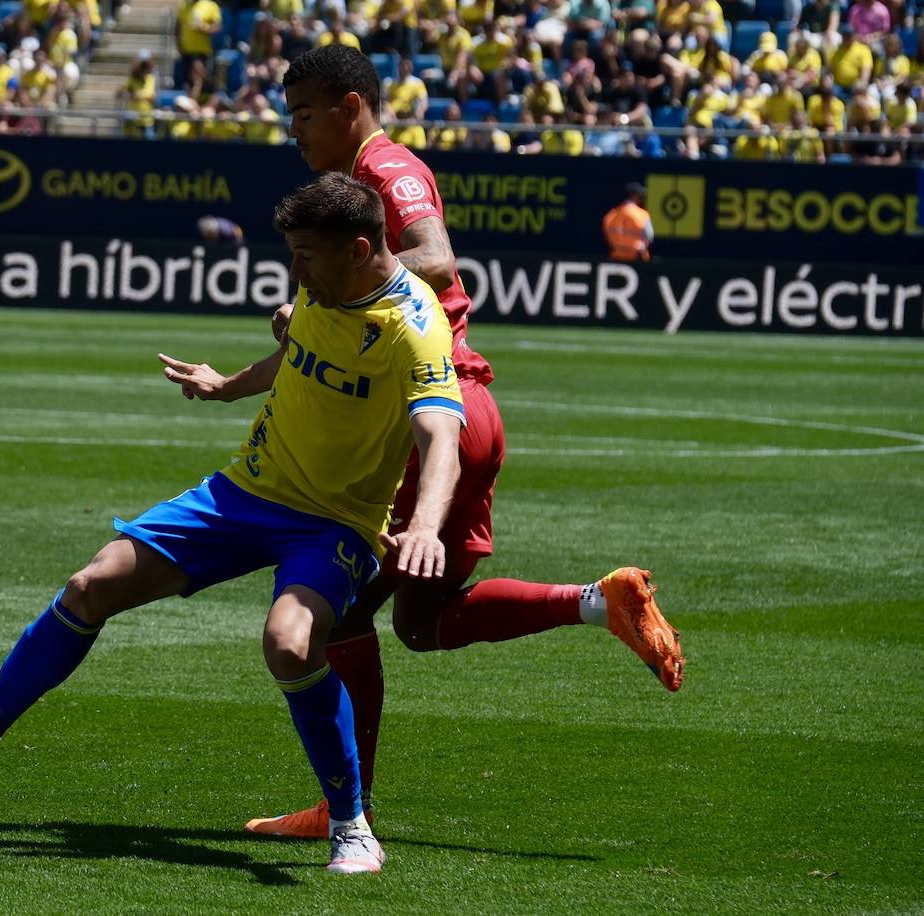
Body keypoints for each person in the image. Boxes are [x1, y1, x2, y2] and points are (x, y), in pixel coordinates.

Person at [0, 171, 469, 875]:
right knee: (92, 583)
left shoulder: (414, 328)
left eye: (306, 254)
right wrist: (228, 384)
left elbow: (441, 435)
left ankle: (351, 824)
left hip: (334, 523)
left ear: (361, 248)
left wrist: (425, 523)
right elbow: (300, 354)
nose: (293, 269)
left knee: (289, 641)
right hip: (245, 492)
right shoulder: (324, 284)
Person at [176, 44, 683, 839]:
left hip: (428, 420)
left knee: (333, 621)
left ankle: (348, 812)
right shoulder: (353, 201)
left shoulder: (389, 168)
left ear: (349, 106)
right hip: (464, 413)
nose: (294, 130)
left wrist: (336, 284)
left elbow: (437, 256)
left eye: (305, 113)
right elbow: (324, 344)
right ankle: (598, 601)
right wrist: (231, 382)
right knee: (421, 620)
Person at [602, 181, 654, 261]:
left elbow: (607, 233)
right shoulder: (642, 215)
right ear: (635, 196)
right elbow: (650, 236)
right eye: (640, 195)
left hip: (616, 257)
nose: (641, 198)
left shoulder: (611, 214)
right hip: (637, 258)